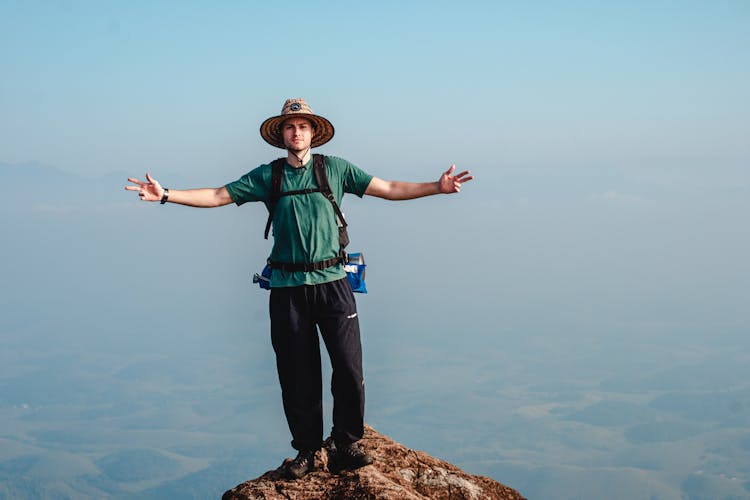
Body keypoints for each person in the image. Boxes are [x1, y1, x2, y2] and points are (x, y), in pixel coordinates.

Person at [125, 98, 473, 479]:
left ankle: (346, 443)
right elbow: (219, 195)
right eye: (290, 127)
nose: (296, 132)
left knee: (348, 367)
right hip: (287, 288)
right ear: (281, 135)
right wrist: (165, 194)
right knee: (296, 373)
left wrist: (436, 188)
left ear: (313, 133)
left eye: (303, 126)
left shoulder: (335, 170)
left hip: (334, 283)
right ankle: (307, 450)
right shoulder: (269, 176)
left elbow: (387, 187)